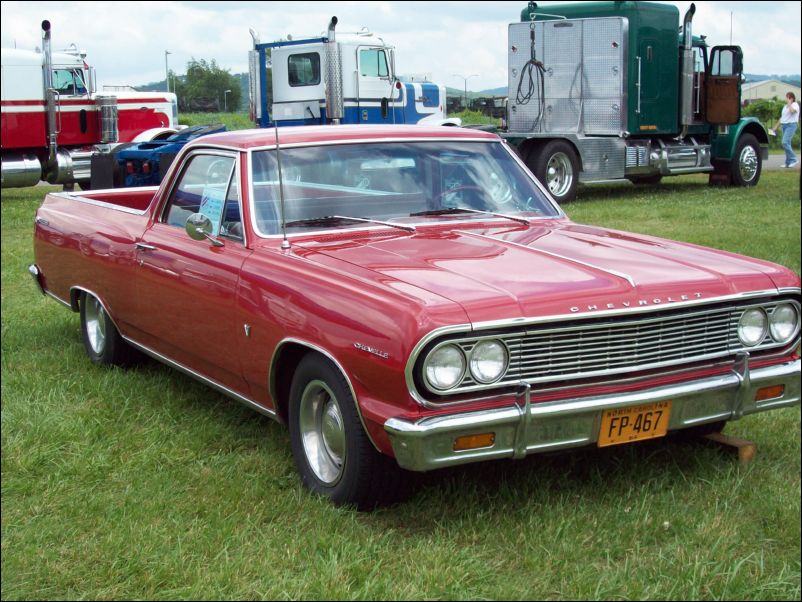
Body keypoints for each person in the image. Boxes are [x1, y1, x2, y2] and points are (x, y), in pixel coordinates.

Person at [770, 92, 799, 168]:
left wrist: (790, 104)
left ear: (791, 98)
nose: (786, 99)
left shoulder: (795, 105)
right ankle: (787, 163)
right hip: (784, 126)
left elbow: (792, 111)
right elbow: (782, 118)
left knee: (784, 142)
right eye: (786, 97)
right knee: (787, 144)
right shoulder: (784, 106)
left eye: (788, 98)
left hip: (791, 125)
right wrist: (775, 127)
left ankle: (794, 159)